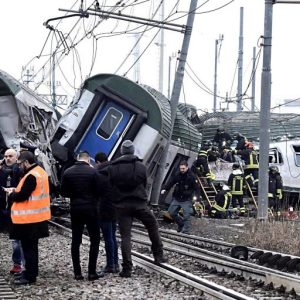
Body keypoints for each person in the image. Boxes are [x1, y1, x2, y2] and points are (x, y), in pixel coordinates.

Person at [109, 140, 167, 278]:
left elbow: (111, 185)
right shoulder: (141, 167)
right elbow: (145, 183)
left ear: (122, 151)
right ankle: (158, 256)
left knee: (125, 237)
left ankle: (127, 269)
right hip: (139, 204)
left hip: (122, 206)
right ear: (133, 151)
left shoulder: (113, 167)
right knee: (152, 226)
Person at [8, 151, 51, 285]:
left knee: (29, 249)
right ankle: (31, 272)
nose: (19, 166)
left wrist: (11, 194)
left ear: (26, 162)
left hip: (29, 219)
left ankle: (30, 276)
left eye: (20, 164)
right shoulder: (40, 172)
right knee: (32, 248)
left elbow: (23, 195)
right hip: (37, 218)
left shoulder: (31, 176)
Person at [60, 151, 103, 281]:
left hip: (76, 209)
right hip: (91, 209)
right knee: (95, 240)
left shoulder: (68, 172)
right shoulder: (94, 172)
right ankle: (91, 272)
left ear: (78, 159)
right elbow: (99, 191)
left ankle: (77, 273)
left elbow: (64, 192)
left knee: (76, 240)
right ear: (88, 160)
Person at [94, 152, 119, 275]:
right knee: (113, 237)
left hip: (104, 209)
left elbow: (96, 193)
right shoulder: (115, 172)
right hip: (115, 208)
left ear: (98, 162)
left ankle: (110, 265)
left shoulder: (99, 174)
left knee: (108, 238)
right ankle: (116, 263)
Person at [0, 149, 24, 274]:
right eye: (6, 156)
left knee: (17, 239)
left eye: (10, 156)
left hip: (16, 208)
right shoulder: (1, 169)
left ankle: (19, 264)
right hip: (3, 207)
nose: (8, 158)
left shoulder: (20, 171)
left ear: (16, 157)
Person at [162, 160, 200, 234]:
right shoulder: (178, 174)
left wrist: (197, 199)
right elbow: (171, 182)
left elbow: (197, 188)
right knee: (171, 212)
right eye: (181, 168)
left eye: (183, 169)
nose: (182, 170)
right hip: (177, 197)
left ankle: (186, 231)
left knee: (186, 216)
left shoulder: (192, 176)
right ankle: (181, 224)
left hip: (187, 199)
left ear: (187, 167)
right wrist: (165, 189)